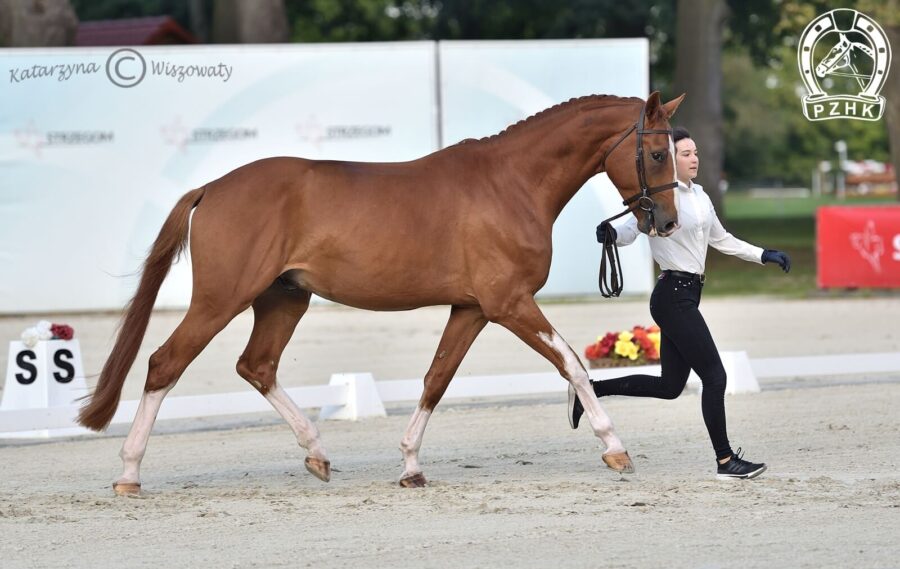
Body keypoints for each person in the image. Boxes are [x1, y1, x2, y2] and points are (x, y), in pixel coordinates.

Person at [569, 126, 791, 480]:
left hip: (689, 294)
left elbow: (722, 239)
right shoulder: (659, 196)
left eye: (696, 153)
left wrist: (763, 254)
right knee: (715, 377)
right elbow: (631, 228)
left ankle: (591, 392)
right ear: (670, 159)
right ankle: (725, 461)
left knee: (670, 387)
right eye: (686, 154)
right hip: (673, 296)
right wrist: (611, 234)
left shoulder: (701, 196)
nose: (694, 159)